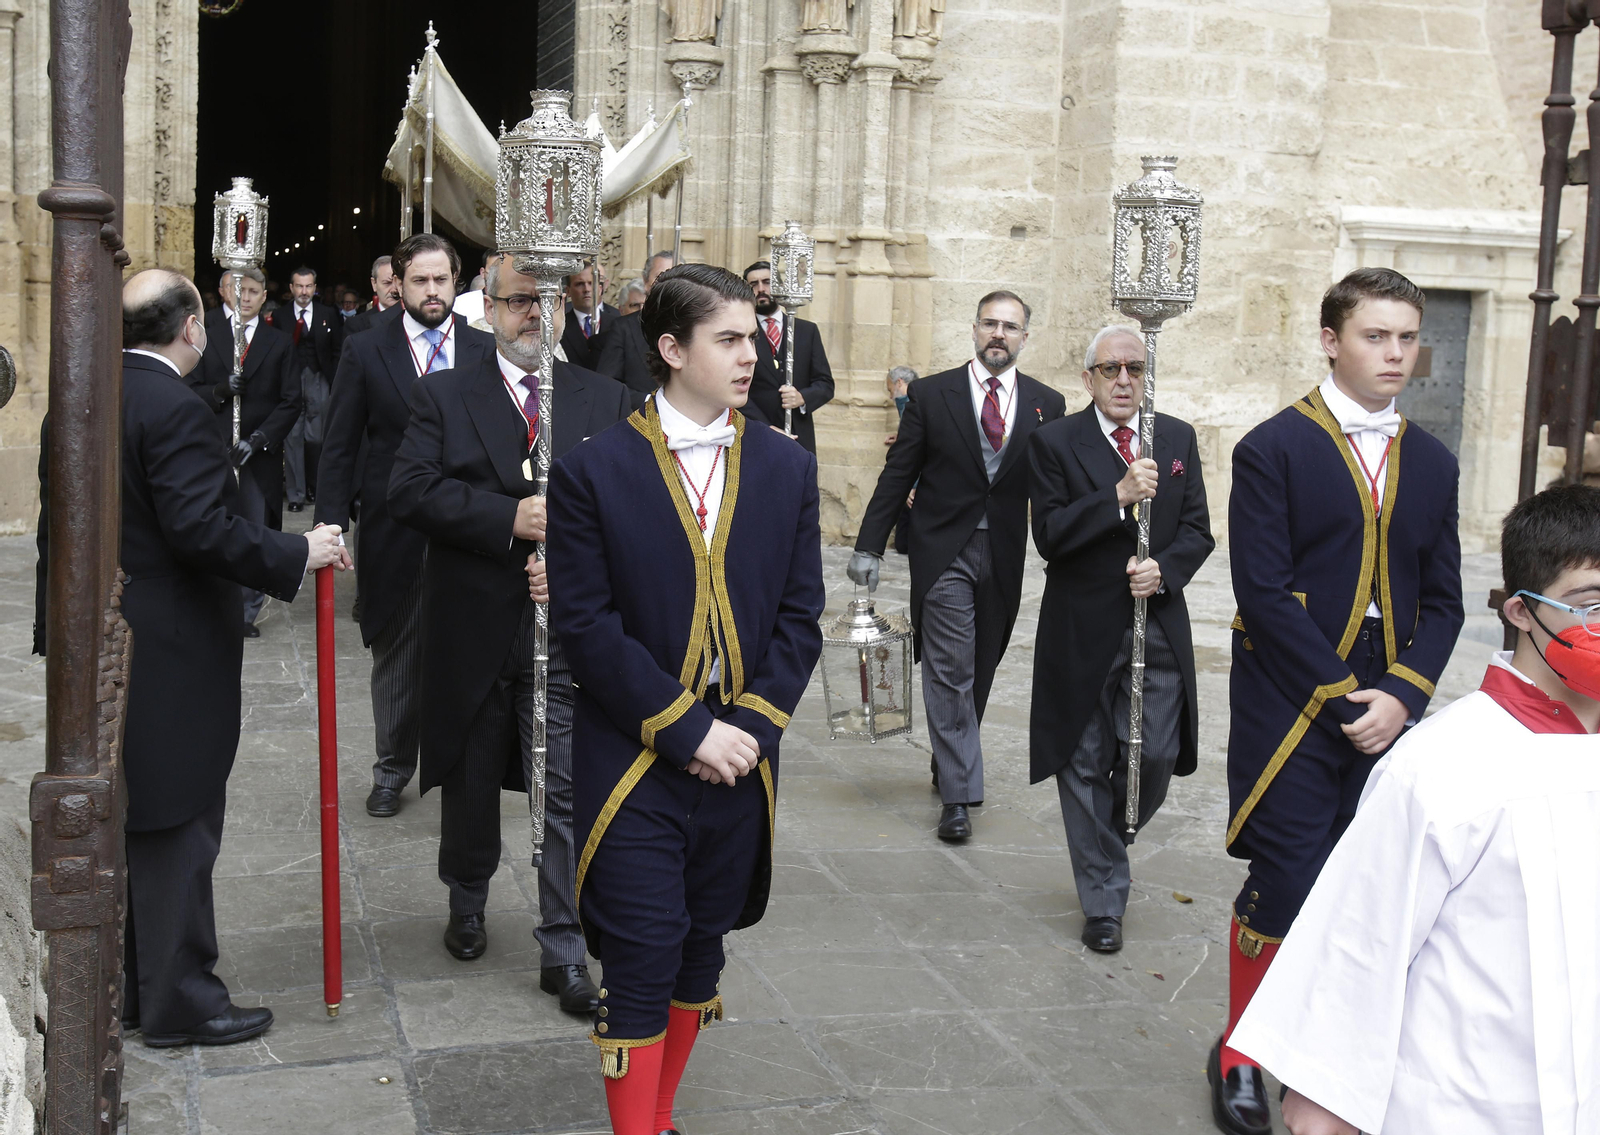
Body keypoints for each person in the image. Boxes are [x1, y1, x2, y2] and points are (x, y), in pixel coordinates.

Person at [32, 270, 349, 1047]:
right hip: (166, 644)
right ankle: (180, 998)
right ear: (192, 331)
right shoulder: (171, 405)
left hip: (102, 635)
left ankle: (140, 988)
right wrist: (295, 550)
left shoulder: (86, 396)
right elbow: (199, 528)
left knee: (138, 816)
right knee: (177, 820)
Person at [1230, 483, 1600, 1135]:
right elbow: (1362, 943)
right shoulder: (1442, 762)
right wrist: (1326, 1100)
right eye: (1588, 606)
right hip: (1465, 1102)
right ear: (1521, 611)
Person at [546, 264, 823, 1135]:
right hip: (633, 756)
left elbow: (801, 616)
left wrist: (747, 727)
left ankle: (658, 1119)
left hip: (743, 759)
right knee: (641, 950)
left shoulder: (786, 464)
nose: (753, 356)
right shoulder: (593, 469)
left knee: (702, 948)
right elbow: (587, 628)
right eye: (729, 340)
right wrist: (687, 729)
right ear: (671, 349)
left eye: (755, 337)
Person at [1211, 267, 1464, 1135]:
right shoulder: (1271, 447)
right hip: (1293, 696)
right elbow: (1265, 593)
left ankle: (1331, 1053)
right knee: (1286, 876)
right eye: (1374, 336)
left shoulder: (1433, 460)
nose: (1394, 353)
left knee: (1370, 885)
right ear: (1330, 339)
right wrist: (1344, 694)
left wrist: (1401, 696)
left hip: (1391, 706)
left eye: (1405, 338)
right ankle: (1243, 1050)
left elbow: (1446, 601)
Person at [388, 254, 630, 1010]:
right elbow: (409, 488)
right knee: (470, 768)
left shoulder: (607, 397)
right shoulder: (446, 395)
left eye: (549, 301)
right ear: (486, 308)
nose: (536, 314)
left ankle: (562, 944)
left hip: (566, 628)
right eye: (522, 300)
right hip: (474, 617)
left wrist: (579, 561)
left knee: (563, 783)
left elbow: (632, 505)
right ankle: (467, 893)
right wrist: (508, 518)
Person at [849, 292, 1066, 842]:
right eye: (990, 324)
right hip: (942, 549)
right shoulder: (931, 393)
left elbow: (1053, 488)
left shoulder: (1048, 403)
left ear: (1023, 337)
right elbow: (899, 473)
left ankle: (949, 759)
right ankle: (961, 796)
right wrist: (868, 546)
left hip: (1005, 554)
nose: (999, 334)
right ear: (974, 330)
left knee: (983, 664)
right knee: (950, 667)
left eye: (1010, 327)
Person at [1027, 326, 1214, 953]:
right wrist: (1117, 495)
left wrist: (1166, 570)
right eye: (1111, 369)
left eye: (1135, 367)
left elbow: (1197, 531)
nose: (1125, 379)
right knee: (1081, 759)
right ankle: (1104, 898)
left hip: (1155, 622)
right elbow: (1049, 535)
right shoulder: (1054, 441)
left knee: (1153, 754)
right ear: (1089, 379)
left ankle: (1107, 837)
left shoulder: (1178, 437)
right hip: (1081, 627)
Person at [317, 233, 495, 819]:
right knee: (396, 648)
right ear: (398, 283)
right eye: (419, 280)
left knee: (471, 648)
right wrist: (329, 525)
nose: (432, 290)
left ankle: (462, 767)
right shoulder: (368, 349)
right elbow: (341, 443)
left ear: (456, 280)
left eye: (442, 279)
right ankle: (392, 770)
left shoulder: (480, 347)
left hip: (471, 524)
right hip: (396, 528)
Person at [186, 265, 300, 636]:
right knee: (211, 524)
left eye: (253, 291)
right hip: (212, 448)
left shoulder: (279, 342)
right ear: (223, 292)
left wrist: (259, 440)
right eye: (238, 290)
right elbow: (185, 387)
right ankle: (210, 601)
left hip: (256, 454)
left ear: (264, 297)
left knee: (252, 527)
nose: (245, 297)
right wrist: (220, 391)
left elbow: (290, 401)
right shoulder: (202, 335)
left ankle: (246, 611)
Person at [740, 260, 835, 454]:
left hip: (799, 436)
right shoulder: (741, 332)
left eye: (767, 282)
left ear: (778, 285)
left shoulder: (806, 331)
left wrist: (802, 397)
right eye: (753, 284)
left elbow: (825, 384)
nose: (761, 289)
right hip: (756, 434)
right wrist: (765, 426)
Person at [270, 266, 343, 513]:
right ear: (291, 288)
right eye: (299, 286)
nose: (304, 291)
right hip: (290, 382)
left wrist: (335, 382)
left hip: (319, 378)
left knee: (316, 437)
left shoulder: (328, 313)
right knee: (292, 438)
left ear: (315, 287)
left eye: (308, 286)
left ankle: (315, 486)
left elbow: (337, 350)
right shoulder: (279, 316)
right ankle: (296, 495)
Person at [597, 250, 677, 401]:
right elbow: (607, 384)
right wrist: (648, 401)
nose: (669, 283)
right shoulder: (624, 328)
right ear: (646, 282)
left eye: (677, 276)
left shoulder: (700, 326)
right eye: (661, 276)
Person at [561, 263, 617, 371]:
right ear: (568, 291)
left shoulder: (616, 324)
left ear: (600, 288)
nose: (587, 289)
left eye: (591, 283)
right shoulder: (561, 326)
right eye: (579, 284)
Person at [342, 255, 402, 338]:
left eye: (398, 283)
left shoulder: (415, 319)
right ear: (374, 284)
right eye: (387, 283)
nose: (394, 290)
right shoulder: (357, 325)